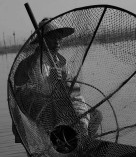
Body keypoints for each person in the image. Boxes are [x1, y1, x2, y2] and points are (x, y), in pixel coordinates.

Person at [12, 17, 102, 154]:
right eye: (53, 38)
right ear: (42, 40)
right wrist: (51, 81)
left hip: (61, 110)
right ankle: (63, 147)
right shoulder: (29, 65)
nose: (58, 41)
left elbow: (75, 94)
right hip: (39, 116)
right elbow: (23, 97)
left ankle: (80, 145)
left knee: (95, 115)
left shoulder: (62, 63)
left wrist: (82, 120)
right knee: (54, 137)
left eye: (59, 37)